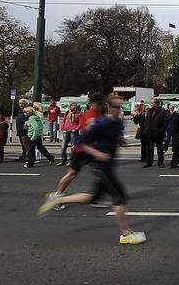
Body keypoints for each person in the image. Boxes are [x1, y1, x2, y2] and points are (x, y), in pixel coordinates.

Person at [38, 96, 147, 244]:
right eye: (116, 106)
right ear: (108, 106)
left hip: (109, 167)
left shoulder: (117, 123)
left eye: (120, 107)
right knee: (119, 198)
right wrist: (98, 153)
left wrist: (122, 142)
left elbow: (116, 138)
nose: (118, 110)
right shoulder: (100, 123)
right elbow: (81, 143)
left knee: (93, 198)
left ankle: (58, 198)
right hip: (101, 168)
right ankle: (126, 234)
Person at [47, 93, 105, 211]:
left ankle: (95, 197)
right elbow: (89, 132)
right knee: (72, 174)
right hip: (81, 150)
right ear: (94, 103)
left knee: (101, 172)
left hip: (90, 149)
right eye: (100, 103)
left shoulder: (97, 114)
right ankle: (56, 196)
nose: (101, 105)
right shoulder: (90, 115)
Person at [142, 98, 168, 168]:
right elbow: (147, 120)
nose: (151, 104)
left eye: (152, 103)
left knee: (160, 149)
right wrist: (146, 129)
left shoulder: (162, 111)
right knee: (149, 149)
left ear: (156, 103)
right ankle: (149, 162)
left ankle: (160, 162)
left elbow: (165, 123)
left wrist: (160, 131)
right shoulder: (150, 110)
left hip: (158, 133)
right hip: (149, 133)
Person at [58, 102, 83, 166]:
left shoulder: (79, 113)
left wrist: (76, 129)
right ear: (70, 106)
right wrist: (62, 128)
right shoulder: (67, 112)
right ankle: (63, 160)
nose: (73, 106)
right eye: (72, 105)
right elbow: (64, 121)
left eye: (75, 105)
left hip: (73, 132)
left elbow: (81, 123)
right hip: (66, 131)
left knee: (73, 147)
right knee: (63, 147)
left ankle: (72, 161)